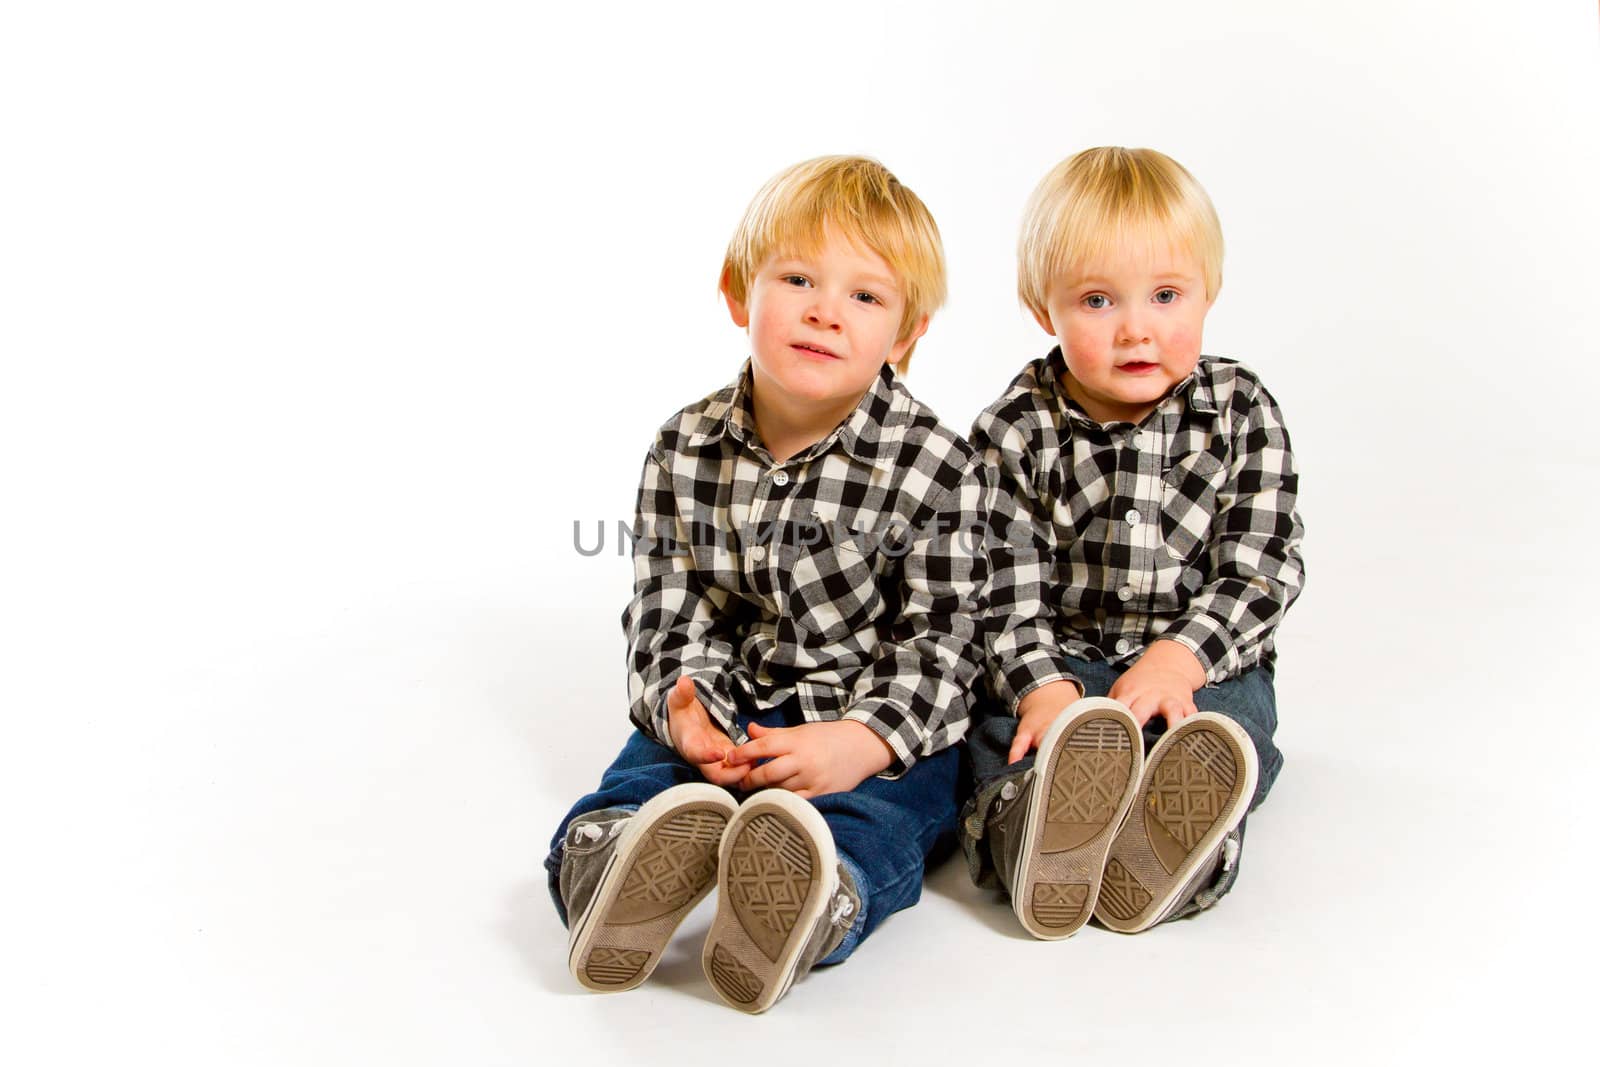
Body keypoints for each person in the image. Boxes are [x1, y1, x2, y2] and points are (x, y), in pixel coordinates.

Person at [544, 155, 987, 1012]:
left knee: (898, 803)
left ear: (906, 335)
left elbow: (945, 638)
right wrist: (686, 704)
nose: (825, 310)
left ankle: (813, 896)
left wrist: (860, 740)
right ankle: (611, 862)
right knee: (649, 768)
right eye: (798, 279)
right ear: (738, 291)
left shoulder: (934, 461)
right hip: (741, 702)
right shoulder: (686, 445)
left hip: (872, 715)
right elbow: (670, 604)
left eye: (866, 296)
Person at [962, 146, 1305, 939]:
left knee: (1224, 726)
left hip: (1199, 658)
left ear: (1208, 292)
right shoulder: (1015, 429)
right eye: (1097, 300)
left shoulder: (1239, 410)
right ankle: (1030, 827)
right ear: (1041, 307)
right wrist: (1042, 686)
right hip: (1064, 657)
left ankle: (1173, 844)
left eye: (1165, 295)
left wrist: (1179, 659)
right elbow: (994, 584)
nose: (1136, 329)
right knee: (994, 731)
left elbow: (1261, 564)